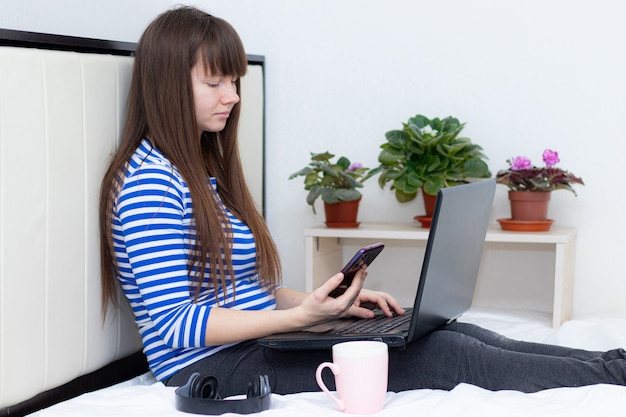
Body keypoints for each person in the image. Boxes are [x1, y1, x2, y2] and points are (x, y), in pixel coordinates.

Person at [99, 6, 626, 398]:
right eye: (214, 81)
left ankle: (614, 364)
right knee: (450, 355)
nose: (233, 95)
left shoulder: (202, 173)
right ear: (167, 85)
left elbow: (239, 293)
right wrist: (300, 319)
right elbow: (174, 323)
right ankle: (613, 375)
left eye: (234, 80)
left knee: (455, 331)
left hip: (253, 343)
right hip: (212, 366)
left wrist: (322, 303)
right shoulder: (150, 183)